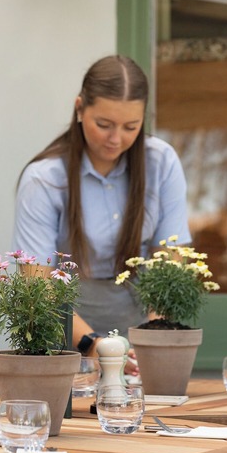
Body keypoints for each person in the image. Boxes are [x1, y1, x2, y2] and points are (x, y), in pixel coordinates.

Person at [12, 55, 192, 363]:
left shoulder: (161, 163)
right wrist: (94, 347)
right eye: (104, 125)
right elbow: (37, 284)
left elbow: (171, 261)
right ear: (80, 109)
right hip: (65, 337)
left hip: (140, 334)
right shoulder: (44, 179)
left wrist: (155, 336)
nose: (116, 139)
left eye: (131, 126)